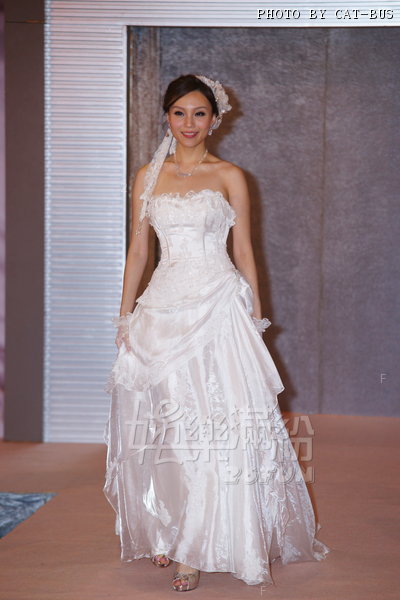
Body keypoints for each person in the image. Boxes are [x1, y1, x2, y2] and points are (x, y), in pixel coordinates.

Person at [103, 74, 330, 592]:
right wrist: (125, 316)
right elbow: (138, 251)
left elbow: (244, 250)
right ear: (166, 117)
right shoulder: (147, 176)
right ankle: (167, 526)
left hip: (218, 308)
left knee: (214, 428)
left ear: (215, 119)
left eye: (199, 113)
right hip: (162, 311)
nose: (189, 123)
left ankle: (196, 547)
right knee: (166, 428)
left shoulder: (230, 175)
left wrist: (256, 316)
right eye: (179, 112)